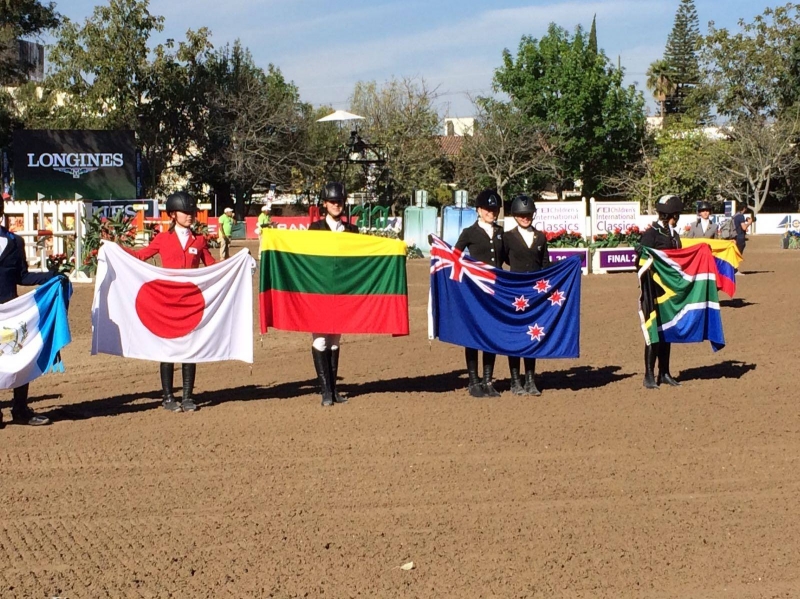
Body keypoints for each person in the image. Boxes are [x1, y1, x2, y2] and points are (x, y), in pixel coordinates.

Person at [129, 191, 215, 412]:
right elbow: (141, 256)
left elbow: (213, 267)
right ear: (173, 215)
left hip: (190, 302)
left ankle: (187, 396)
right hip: (167, 301)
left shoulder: (200, 240)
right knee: (166, 347)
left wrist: (240, 263)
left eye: (191, 212)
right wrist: (114, 250)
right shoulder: (162, 239)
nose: (190, 216)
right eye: (185, 212)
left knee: (190, 348)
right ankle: (167, 396)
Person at [0, 192, 58, 427]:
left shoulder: (15, 242)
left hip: (11, 310)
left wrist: (52, 276)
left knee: (20, 356)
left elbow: (22, 276)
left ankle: (20, 409)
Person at [308, 182, 358, 406]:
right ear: (325, 204)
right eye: (332, 202)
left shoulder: (353, 231)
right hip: (319, 293)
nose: (336, 205)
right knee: (320, 340)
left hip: (341, 294)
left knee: (335, 340)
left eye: (339, 202)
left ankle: (335, 390)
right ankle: (325, 391)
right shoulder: (314, 230)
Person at [454, 188, 505, 398]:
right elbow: (454, 257)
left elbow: (511, 259)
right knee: (474, 335)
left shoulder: (502, 233)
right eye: (487, 209)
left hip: (496, 291)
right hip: (475, 291)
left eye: (494, 209)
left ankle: (488, 380)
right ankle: (474, 381)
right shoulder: (469, 232)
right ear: (478, 210)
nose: (491, 213)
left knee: (491, 334)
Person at [503, 194, 550, 397]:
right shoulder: (508, 237)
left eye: (528, 214)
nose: (526, 217)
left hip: (535, 294)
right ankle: (515, 380)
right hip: (515, 293)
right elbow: (502, 261)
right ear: (515, 215)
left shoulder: (540, 237)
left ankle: (530, 379)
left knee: (533, 334)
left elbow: (546, 264)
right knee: (516, 336)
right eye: (522, 214)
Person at [639, 194, 683, 390]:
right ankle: (649, 374)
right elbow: (639, 261)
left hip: (670, 291)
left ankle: (664, 372)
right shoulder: (652, 234)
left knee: (668, 331)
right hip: (653, 290)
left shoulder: (674, 236)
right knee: (653, 331)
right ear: (673, 214)